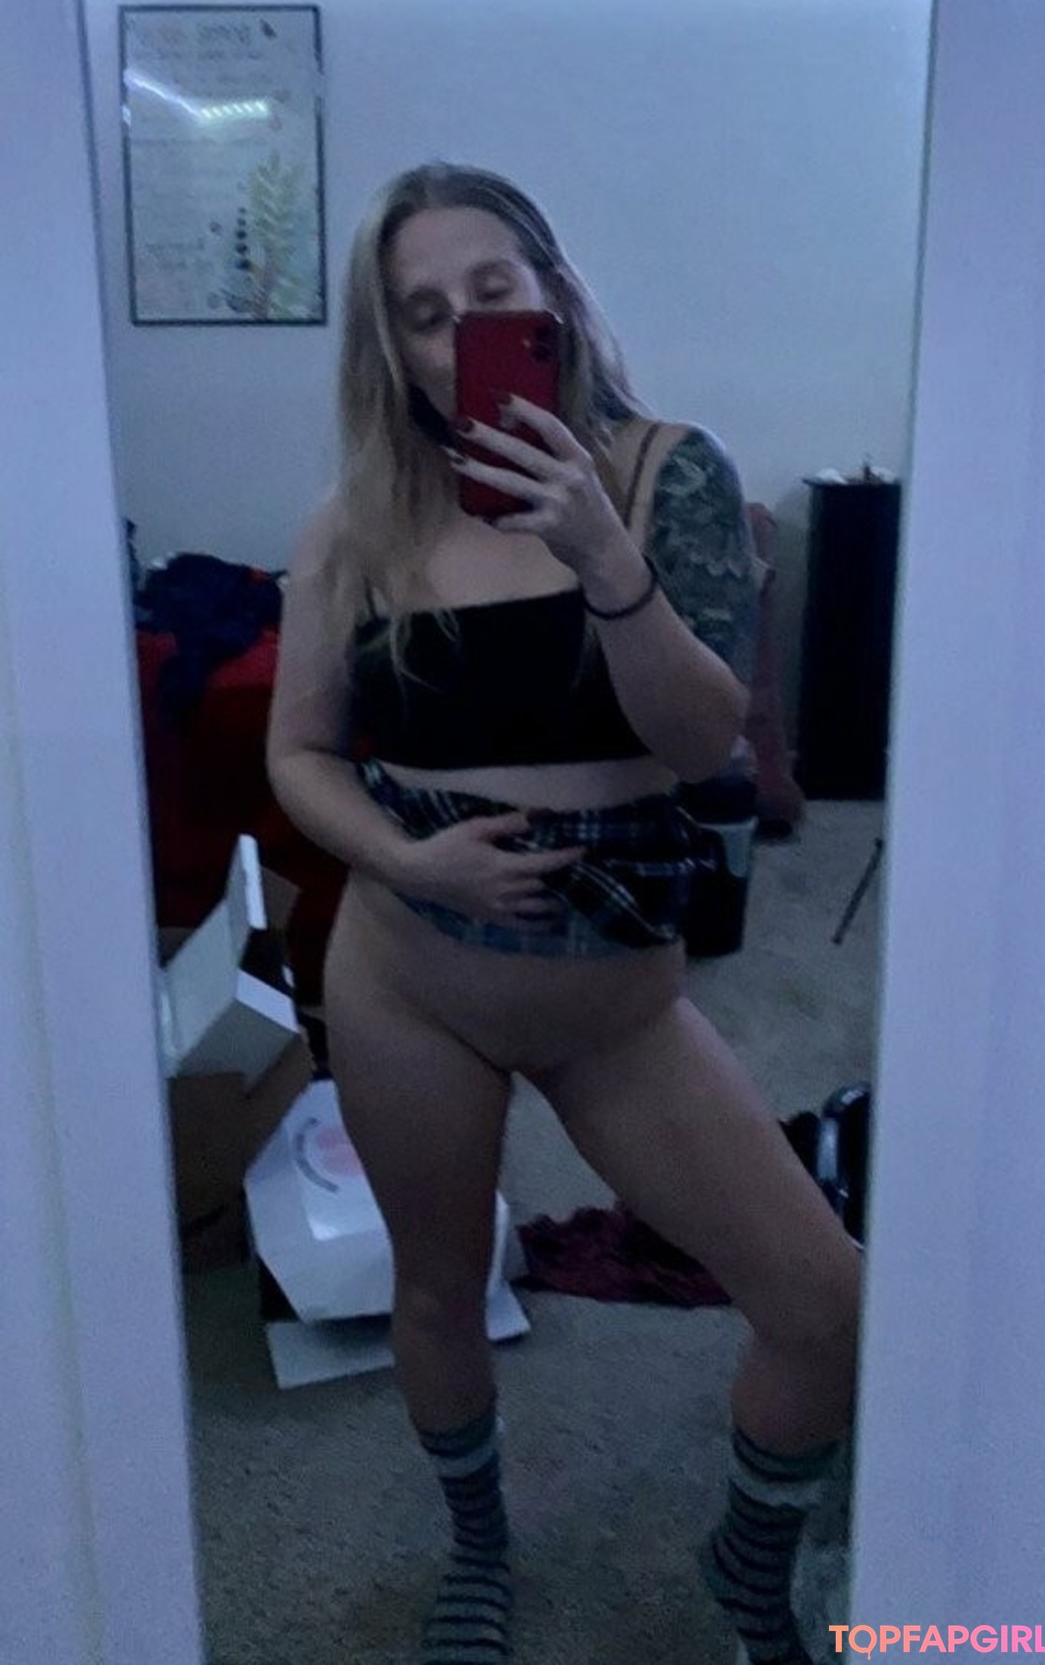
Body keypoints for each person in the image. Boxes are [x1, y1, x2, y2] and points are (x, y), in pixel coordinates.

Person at [267, 162, 861, 1665]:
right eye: (422, 312)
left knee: (825, 1306)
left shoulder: (669, 474)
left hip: (617, 1007)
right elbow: (300, 756)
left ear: (551, 293)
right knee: (436, 1290)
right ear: (393, 352)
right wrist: (411, 864)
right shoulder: (353, 528)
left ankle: (749, 1564)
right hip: (409, 981)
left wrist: (604, 558)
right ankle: (479, 1549)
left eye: (492, 290)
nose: (461, 326)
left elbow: (704, 744)